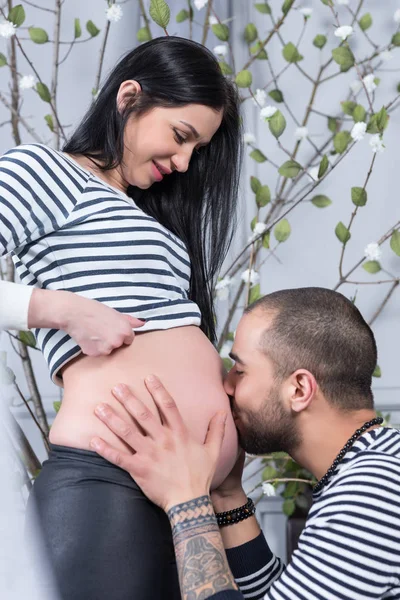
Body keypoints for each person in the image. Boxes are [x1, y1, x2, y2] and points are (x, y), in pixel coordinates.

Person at [0, 36, 242, 599]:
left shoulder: (150, 219)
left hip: (186, 497)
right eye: (180, 137)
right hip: (107, 483)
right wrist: (58, 309)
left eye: (196, 151)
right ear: (129, 97)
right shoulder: (46, 173)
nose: (184, 163)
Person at [92, 287, 400, 600]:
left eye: (240, 370)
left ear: (299, 389)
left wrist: (185, 501)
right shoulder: (381, 464)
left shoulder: (372, 489)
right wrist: (228, 497)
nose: (227, 385)